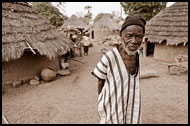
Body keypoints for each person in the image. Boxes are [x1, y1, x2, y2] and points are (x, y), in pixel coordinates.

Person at [91, 15, 146, 124]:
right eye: (129, 36)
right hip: (113, 107)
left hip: (132, 103)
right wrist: (104, 101)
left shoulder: (138, 54)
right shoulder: (109, 57)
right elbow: (100, 81)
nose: (134, 41)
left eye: (139, 36)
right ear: (121, 36)